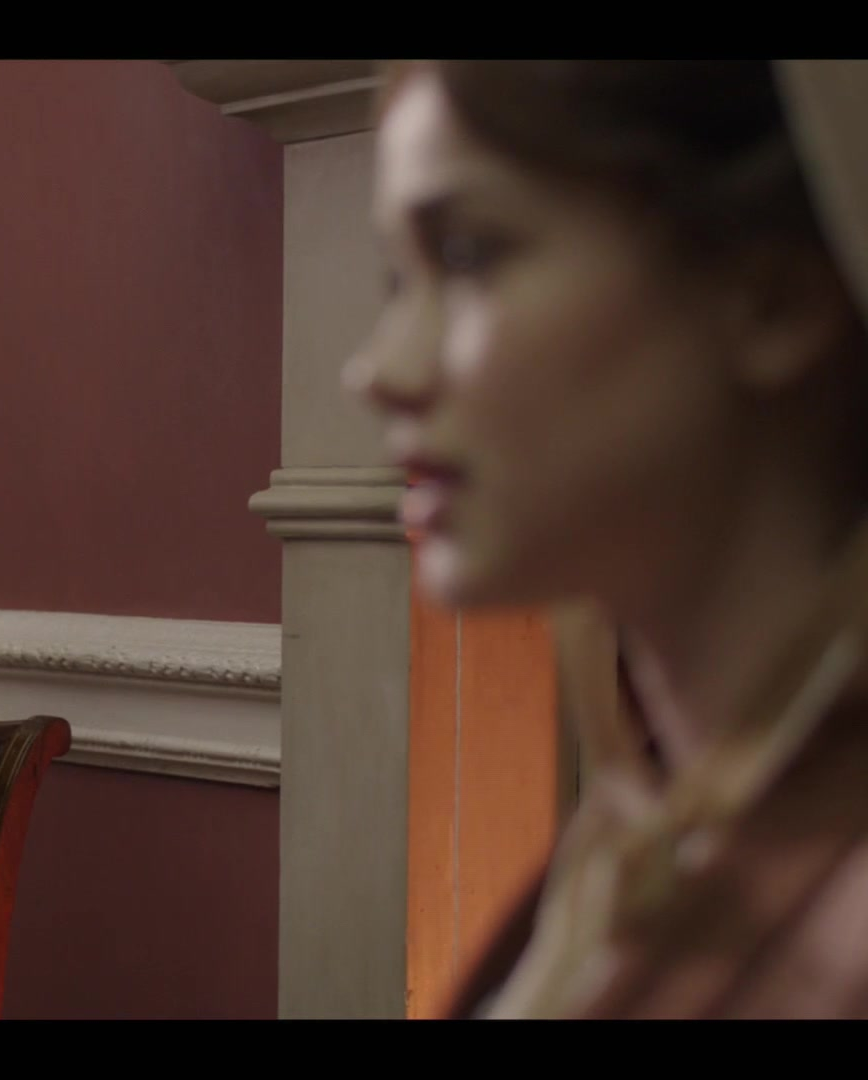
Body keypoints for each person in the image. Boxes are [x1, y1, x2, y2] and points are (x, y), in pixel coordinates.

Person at [348, 60, 868, 1019]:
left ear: (772, 293)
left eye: (468, 255)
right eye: (395, 278)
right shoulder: (630, 849)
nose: (379, 369)